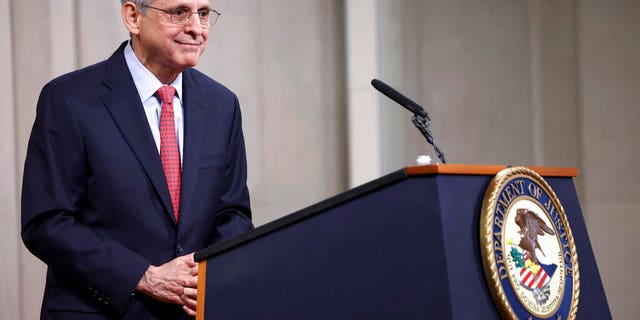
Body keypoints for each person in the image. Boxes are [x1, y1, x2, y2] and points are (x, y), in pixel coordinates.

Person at [21, 0, 253, 318]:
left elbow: (232, 213)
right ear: (133, 17)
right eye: (179, 12)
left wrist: (207, 276)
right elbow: (46, 223)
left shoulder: (222, 105)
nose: (196, 28)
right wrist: (143, 276)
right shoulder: (69, 99)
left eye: (203, 14)